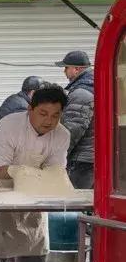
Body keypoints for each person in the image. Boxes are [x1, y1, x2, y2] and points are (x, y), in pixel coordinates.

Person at [0, 85, 70, 262]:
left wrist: (35, 178)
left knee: (34, 242)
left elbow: (55, 171)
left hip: (35, 195)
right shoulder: (8, 127)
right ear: (30, 109)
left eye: (55, 115)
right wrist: (21, 172)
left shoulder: (62, 134)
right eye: (43, 113)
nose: (49, 121)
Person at [59, 50, 95, 189]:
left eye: (66, 67)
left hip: (82, 160)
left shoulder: (81, 93)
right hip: (91, 157)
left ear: (77, 69)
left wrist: (59, 156)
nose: (64, 72)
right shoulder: (95, 86)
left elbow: (73, 130)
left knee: (73, 201)